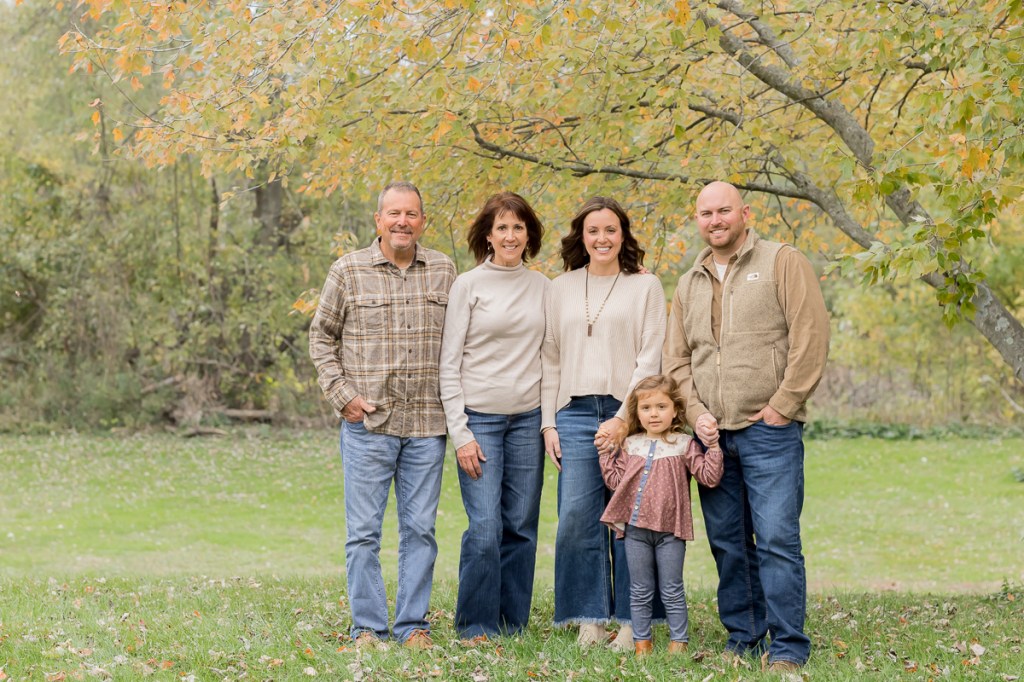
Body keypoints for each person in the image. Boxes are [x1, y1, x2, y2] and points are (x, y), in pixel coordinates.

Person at [664, 181, 829, 672]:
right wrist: (696, 414)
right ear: (697, 220)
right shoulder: (688, 282)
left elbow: (810, 335)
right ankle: (745, 637)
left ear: (745, 213)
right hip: (711, 438)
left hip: (768, 432)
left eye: (724, 211)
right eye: (706, 213)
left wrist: (784, 404)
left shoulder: (782, 261)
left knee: (777, 540)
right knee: (729, 544)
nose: (715, 221)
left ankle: (788, 647)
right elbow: (677, 361)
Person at [308, 181, 456, 650]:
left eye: (411, 214)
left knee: (420, 531)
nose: (402, 222)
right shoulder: (348, 270)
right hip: (368, 426)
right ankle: (368, 629)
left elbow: (461, 343)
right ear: (378, 220)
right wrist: (343, 395)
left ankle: (412, 626)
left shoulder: (444, 270)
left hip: (427, 426)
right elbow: (321, 338)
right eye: (394, 213)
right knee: (363, 534)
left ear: (423, 221)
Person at [541, 196, 667, 650]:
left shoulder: (645, 286)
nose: (602, 238)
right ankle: (588, 618)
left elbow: (650, 358)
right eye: (593, 230)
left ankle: (633, 622)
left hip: (629, 413)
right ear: (581, 236)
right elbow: (549, 358)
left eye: (610, 229)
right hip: (573, 413)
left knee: (630, 519)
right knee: (576, 516)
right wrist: (548, 423)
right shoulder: (559, 288)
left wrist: (622, 418)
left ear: (623, 234)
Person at [438, 191, 549, 641]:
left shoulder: (543, 287)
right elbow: (448, 363)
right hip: (479, 420)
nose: (510, 235)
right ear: (488, 235)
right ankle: (476, 625)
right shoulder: (468, 285)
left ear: (528, 235)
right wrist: (460, 432)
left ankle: (511, 624)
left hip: (527, 419)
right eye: (501, 227)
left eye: (518, 227)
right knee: (485, 527)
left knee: (520, 526)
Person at [599, 375, 723, 656]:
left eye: (661, 407)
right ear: (637, 413)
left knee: (671, 589)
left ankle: (679, 642)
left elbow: (709, 476)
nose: (653, 414)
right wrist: (605, 454)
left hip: (670, 533)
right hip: (635, 531)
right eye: (646, 408)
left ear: (675, 410)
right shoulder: (630, 445)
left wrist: (714, 448)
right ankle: (642, 644)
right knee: (640, 590)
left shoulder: (684, 444)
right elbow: (616, 482)